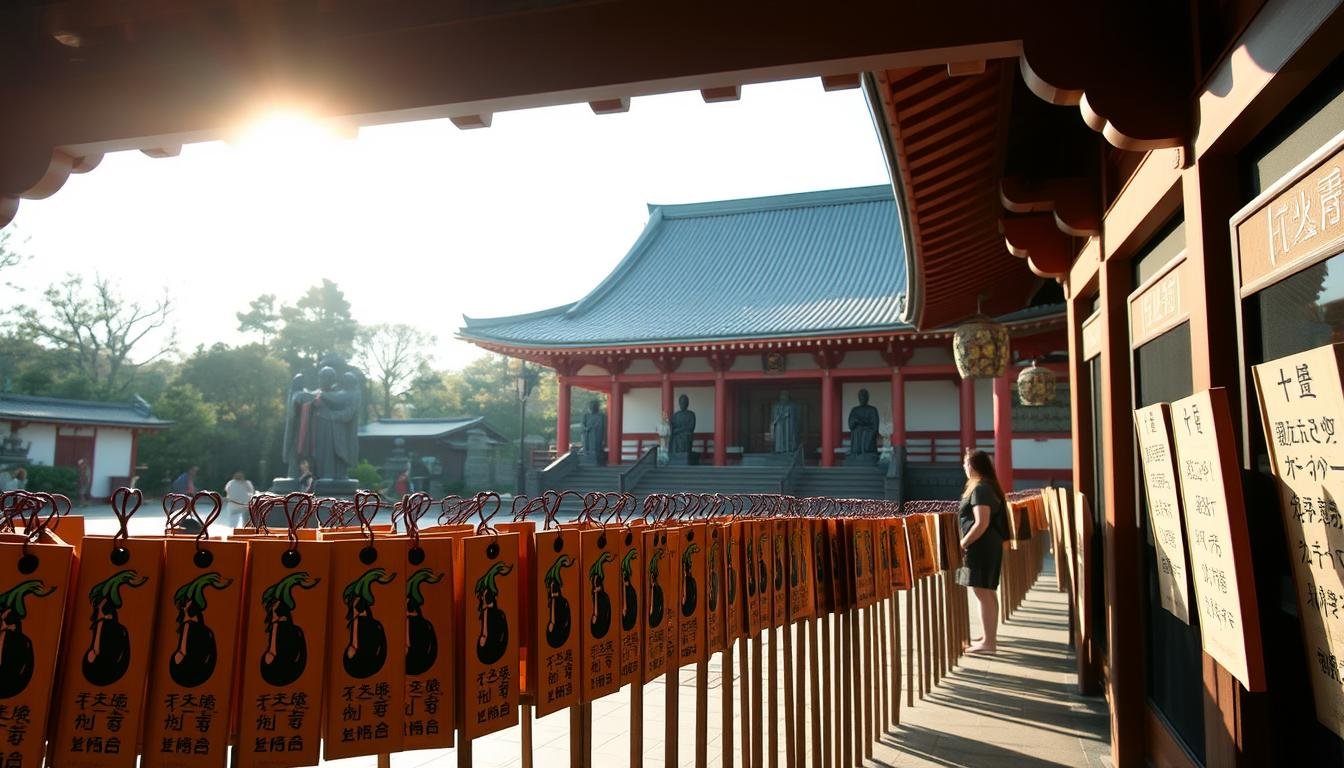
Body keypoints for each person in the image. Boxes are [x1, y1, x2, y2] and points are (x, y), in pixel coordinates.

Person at [958, 449, 1010, 654]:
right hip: (987, 545)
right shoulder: (986, 487)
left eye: (965, 464)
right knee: (986, 592)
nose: (964, 467)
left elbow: (981, 522)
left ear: (972, 466)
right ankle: (989, 636)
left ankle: (989, 642)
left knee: (982, 592)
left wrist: (963, 543)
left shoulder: (981, 489)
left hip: (981, 546)